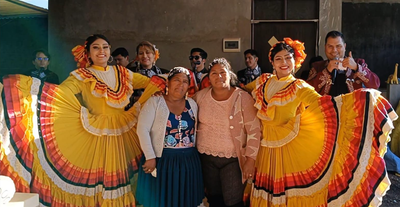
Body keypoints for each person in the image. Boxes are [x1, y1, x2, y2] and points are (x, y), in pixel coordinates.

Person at [0, 34, 164, 206]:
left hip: (124, 131)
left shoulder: (123, 72)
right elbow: (60, 94)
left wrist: (172, 79)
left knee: (123, 175)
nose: (102, 51)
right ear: (88, 53)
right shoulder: (82, 75)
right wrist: (29, 95)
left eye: (105, 47)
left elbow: (150, 83)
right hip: (98, 134)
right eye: (96, 47)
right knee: (104, 177)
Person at [246, 38, 396, 206]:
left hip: (289, 151)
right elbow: (241, 90)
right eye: (279, 58)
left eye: (288, 58)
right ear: (272, 62)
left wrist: (361, 100)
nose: (284, 62)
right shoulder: (263, 81)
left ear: (296, 62)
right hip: (264, 149)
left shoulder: (298, 87)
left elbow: (325, 105)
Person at [193, 58, 261, 207]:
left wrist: (251, 159)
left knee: (233, 201)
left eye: (223, 72)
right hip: (206, 157)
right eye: (214, 73)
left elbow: (254, 130)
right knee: (214, 200)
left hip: (232, 159)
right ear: (208, 78)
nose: (219, 77)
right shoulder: (200, 97)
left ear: (230, 74)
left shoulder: (242, 97)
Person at [136, 67, 204, 207]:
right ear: (168, 82)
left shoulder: (192, 104)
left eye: (185, 81)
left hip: (188, 160)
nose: (181, 84)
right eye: (177, 80)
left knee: (185, 199)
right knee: (162, 200)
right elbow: (142, 129)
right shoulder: (155, 102)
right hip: (162, 159)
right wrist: (150, 157)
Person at [307, 31, 380, 96]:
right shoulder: (317, 66)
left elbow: (375, 84)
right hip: (324, 110)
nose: (334, 50)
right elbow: (306, 92)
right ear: (325, 47)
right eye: (330, 46)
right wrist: (326, 71)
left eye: (338, 46)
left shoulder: (359, 63)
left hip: (353, 109)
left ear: (344, 47)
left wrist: (356, 68)